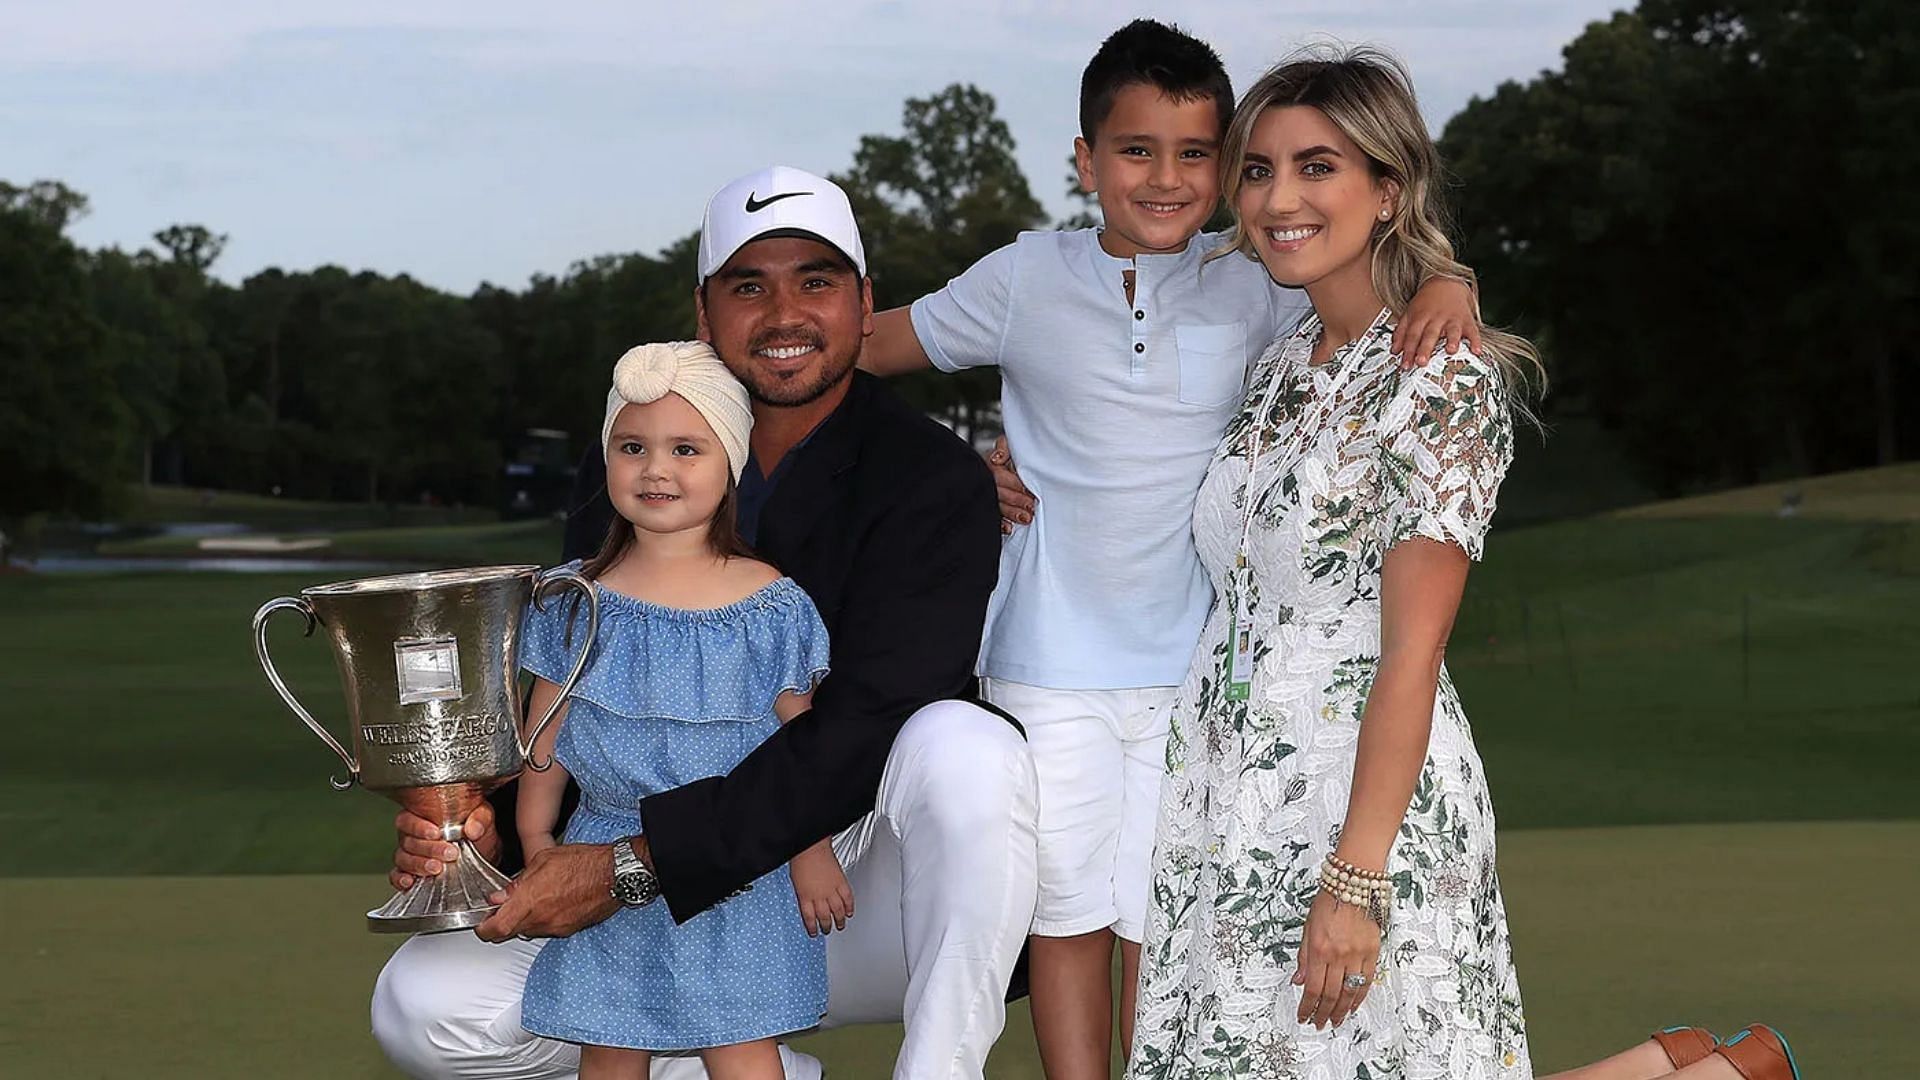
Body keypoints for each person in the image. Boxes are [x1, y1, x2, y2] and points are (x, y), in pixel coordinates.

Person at [1123, 48, 1803, 1080]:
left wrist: (1355, 883)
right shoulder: (1274, 365)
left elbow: (1414, 647)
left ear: (1386, 191)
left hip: (1361, 794)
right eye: (1257, 170)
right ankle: (1695, 1072)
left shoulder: (1442, 379)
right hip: (1228, 783)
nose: (1278, 197)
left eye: (1319, 167)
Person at [856, 19, 1479, 1078]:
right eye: (1136, 150)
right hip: (1046, 659)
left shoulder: (1256, 282)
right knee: (1063, 913)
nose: (1167, 177)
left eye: (1198, 154)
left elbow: (1365, 279)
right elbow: (856, 350)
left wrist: (1447, 281)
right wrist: (957, 472)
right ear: (1087, 159)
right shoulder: (1022, 275)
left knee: (1165, 912)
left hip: (1197, 669)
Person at [370, 165, 1041, 1080]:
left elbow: (859, 735)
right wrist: (478, 824)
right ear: (703, 310)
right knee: (425, 1009)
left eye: (816, 281)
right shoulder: (627, 470)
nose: (784, 313)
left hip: (843, 884)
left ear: (864, 301)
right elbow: (574, 694)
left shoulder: (930, 479)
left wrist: (632, 866)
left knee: (971, 747)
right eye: (748, 286)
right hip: (645, 879)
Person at [512, 340, 840, 1079]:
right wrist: (537, 838)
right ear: (607, 461)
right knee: (611, 1042)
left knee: (740, 1041)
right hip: (602, 852)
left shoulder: (767, 602)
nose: (656, 468)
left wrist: (811, 852)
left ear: (729, 466)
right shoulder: (575, 599)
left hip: (738, 864)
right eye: (633, 447)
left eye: (685, 448)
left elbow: (805, 747)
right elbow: (545, 733)